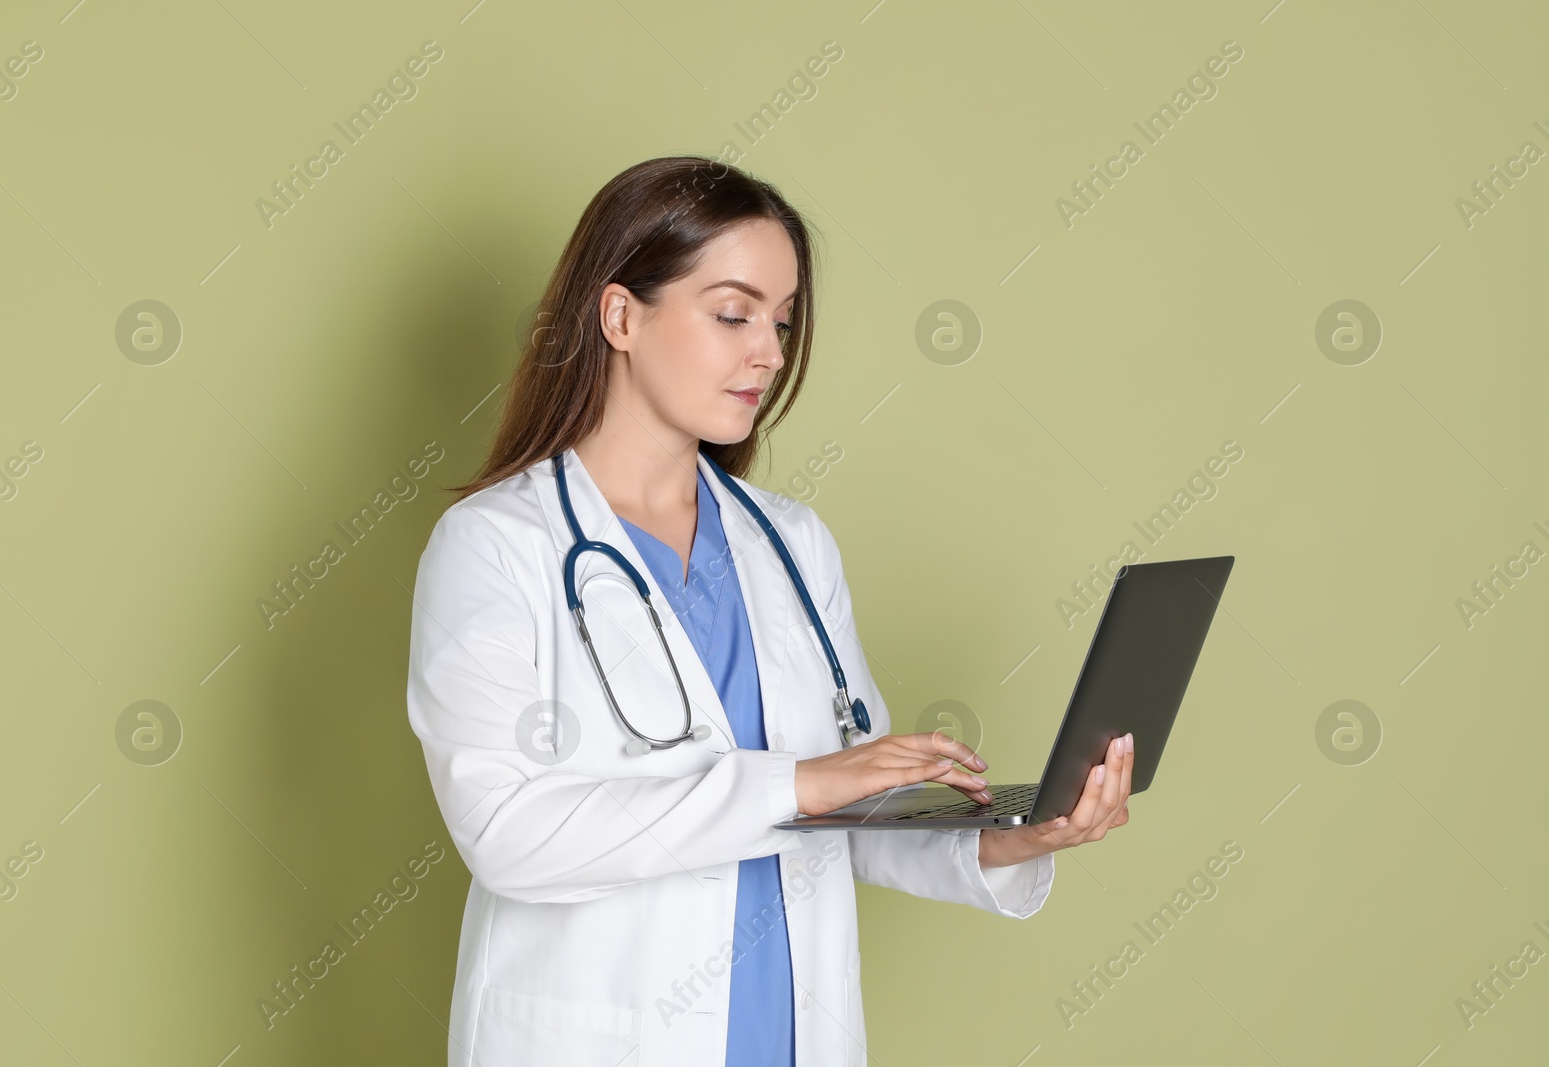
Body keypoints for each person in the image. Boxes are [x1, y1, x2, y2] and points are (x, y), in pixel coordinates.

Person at [405, 155, 1133, 1067]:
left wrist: (1025, 834)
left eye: (782, 322)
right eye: (733, 314)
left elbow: (859, 817)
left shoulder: (791, 542)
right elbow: (510, 836)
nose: (771, 353)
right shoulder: (497, 544)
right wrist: (801, 783)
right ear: (621, 315)